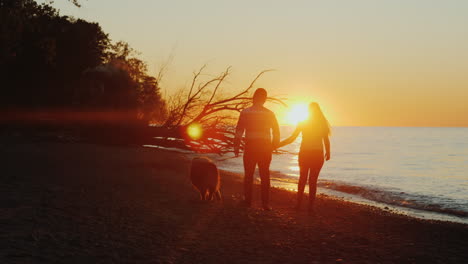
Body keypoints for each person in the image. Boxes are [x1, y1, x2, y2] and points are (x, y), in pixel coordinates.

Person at [278, 102, 331, 212]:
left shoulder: (303, 123)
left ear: (309, 111)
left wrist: (278, 144)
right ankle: (310, 207)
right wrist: (328, 152)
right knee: (313, 181)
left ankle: (298, 205)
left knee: (302, 179)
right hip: (317, 155)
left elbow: (292, 138)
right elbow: (326, 140)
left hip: (305, 154)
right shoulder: (322, 123)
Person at [233, 88, 280, 210]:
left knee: (249, 175)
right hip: (265, 148)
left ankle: (248, 201)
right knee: (265, 175)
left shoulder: (246, 112)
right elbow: (276, 131)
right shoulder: (270, 114)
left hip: (250, 147)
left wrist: (236, 146)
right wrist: (274, 145)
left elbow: (239, 130)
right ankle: (265, 204)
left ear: (254, 97)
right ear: (264, 99)